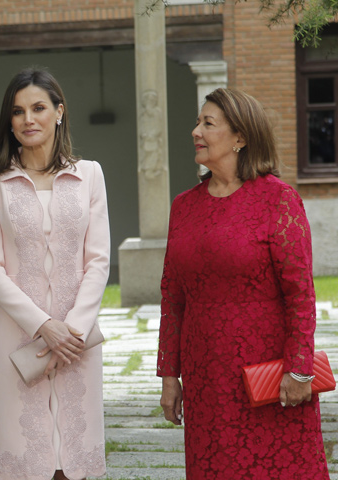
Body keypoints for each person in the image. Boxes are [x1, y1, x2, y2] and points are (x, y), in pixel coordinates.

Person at [157, 88, 330, 479]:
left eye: (208, 123)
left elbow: (300, 294)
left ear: (241, 137)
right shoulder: (183, 206)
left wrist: (300, 369)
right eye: (198, 122)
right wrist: (171, 376)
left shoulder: (278, 200)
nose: (195, 131)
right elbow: (172, 299)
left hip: (269, 376)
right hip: (205, 378)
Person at [0, 68, 110, 480]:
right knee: (24, 460)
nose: (28, 119)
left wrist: (73, 329)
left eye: (38, 108)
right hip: (19, 338)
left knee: (75, 461)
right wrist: (43, 325)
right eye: (17, 112)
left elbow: (99, 260)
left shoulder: (90, 175)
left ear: (59, 112)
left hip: (77, 340)